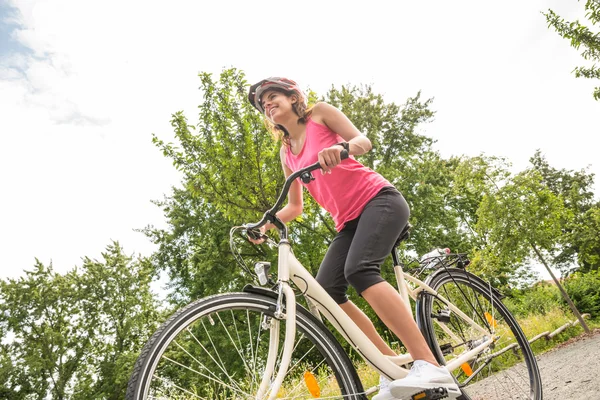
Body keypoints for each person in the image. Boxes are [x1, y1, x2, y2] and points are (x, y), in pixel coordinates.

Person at [247, 77, 459, 400]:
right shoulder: (286, 153)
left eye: (272, 96)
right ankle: (390, 366)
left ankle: (428, 364)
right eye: (264, 104)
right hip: (348, 222)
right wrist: (266, 224)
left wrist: (341, 149)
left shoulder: (319, 114)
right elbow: (294, 206)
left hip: (380, 200)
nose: (268, 104)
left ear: (293, 97)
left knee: (359, 269)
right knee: (325, 292)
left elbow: (364, 141)